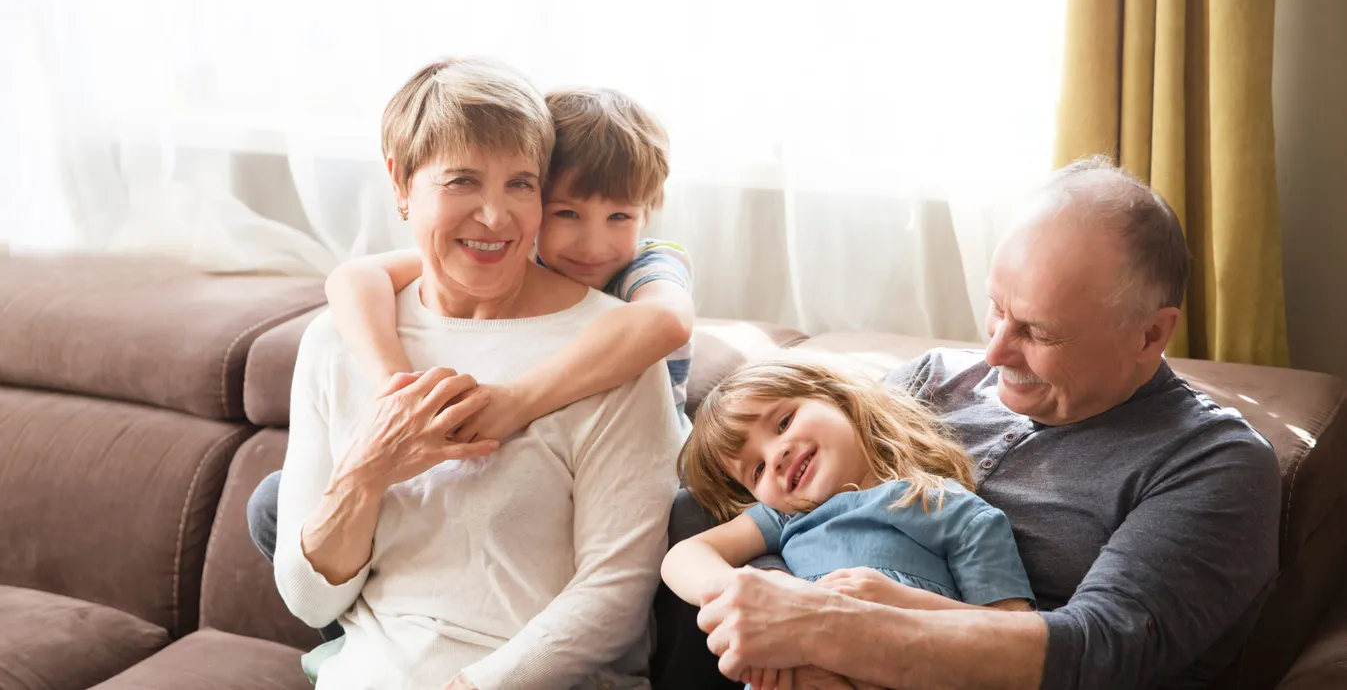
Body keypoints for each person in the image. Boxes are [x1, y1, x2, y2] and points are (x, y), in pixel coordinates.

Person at [665, 157, 1282, 690]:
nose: (993, 354)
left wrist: (840, 635)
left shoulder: (1213, 463)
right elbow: (782, 520)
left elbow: (1098, 650)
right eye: (996, 309)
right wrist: (796, 638)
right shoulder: (931, 380)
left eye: (1038, 332)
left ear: (1151, 333)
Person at [267, 57, 682, 690]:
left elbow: (613, 599)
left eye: (521, 183)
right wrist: (368, 470)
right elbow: (309, 601)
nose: (495, 216)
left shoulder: (612, 349)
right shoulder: (337, 340)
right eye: (462, 181)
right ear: (401, 183)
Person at [320, 86, 695, 436]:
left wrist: (518, 401)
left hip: (660, 460)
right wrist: (396, 384)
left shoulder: (648, 264)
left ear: (645, 213)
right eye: (566, 214)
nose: (594, 246)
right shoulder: (518, 256)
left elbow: (667, 319)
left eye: (620, 218)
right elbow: (353, 276)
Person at [663, 358, 1035, 689]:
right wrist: (751, 592)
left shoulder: (949, 507)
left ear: (837, 399)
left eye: (783, 422)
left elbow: (1015, 636)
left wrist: (898, 602)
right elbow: (684, 556)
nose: (775, 456)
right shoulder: (788, 516)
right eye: (756, 470)